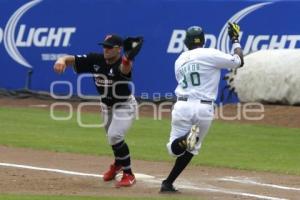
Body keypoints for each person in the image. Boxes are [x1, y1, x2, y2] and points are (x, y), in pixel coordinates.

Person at [160, 23, 244, 193]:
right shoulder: (210, 53)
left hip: (183, 104)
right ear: (203, 40)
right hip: (204, 108)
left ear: (186, 42)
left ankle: (182, 142)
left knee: (173, 149)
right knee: (192, 149)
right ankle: (168, 183)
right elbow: (238, 61)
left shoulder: (180, 60)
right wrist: (235, 40)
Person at [53, 34, 143, 187]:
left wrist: (127, 59)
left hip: (124, 105)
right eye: (104, 46)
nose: (105, 49)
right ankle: (118, 164)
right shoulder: (95, 59)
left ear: (119, 49)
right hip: (106, 106)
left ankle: (128, 174)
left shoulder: (123, 63)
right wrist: (61, 60)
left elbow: (125, 69)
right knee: (112, 138)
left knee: (115, 136)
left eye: (109, 47)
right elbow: (70, 59)